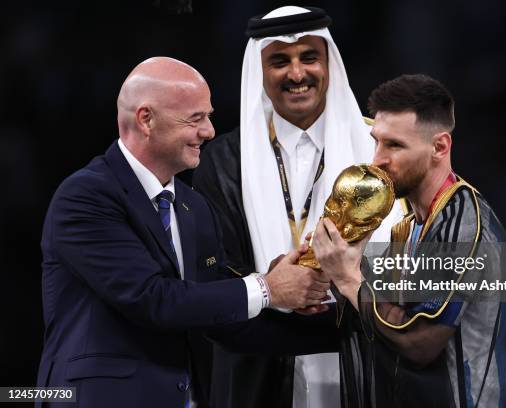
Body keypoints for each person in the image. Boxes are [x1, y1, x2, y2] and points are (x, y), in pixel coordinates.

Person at [36, 57, 339, 408]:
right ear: (146, 119)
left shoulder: (194, 207)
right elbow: (154, 299)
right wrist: (268, 288)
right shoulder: (86, 196)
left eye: (208, 116)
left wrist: (362, 326)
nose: (209, 131)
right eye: (196, 118)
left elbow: (226, 321)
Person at [191, 5, 403, 408]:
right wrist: (270, 286)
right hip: (260, 375)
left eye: (309, 57)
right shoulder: (222, 161)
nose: (296, 73)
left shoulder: (379, 150)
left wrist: (343, 286)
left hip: (365, 368)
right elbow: (213, 280)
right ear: (260, 71)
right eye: (279, 61)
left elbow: (414, 255)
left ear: (329, 64)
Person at [312, 74, 506, 407]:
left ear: (439, 147)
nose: (377, 160)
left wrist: (348, 276)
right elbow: (379, 316)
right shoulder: (409, 226)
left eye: (395, 145)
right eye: (377, 142)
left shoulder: (463, 223)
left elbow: (420, 340)